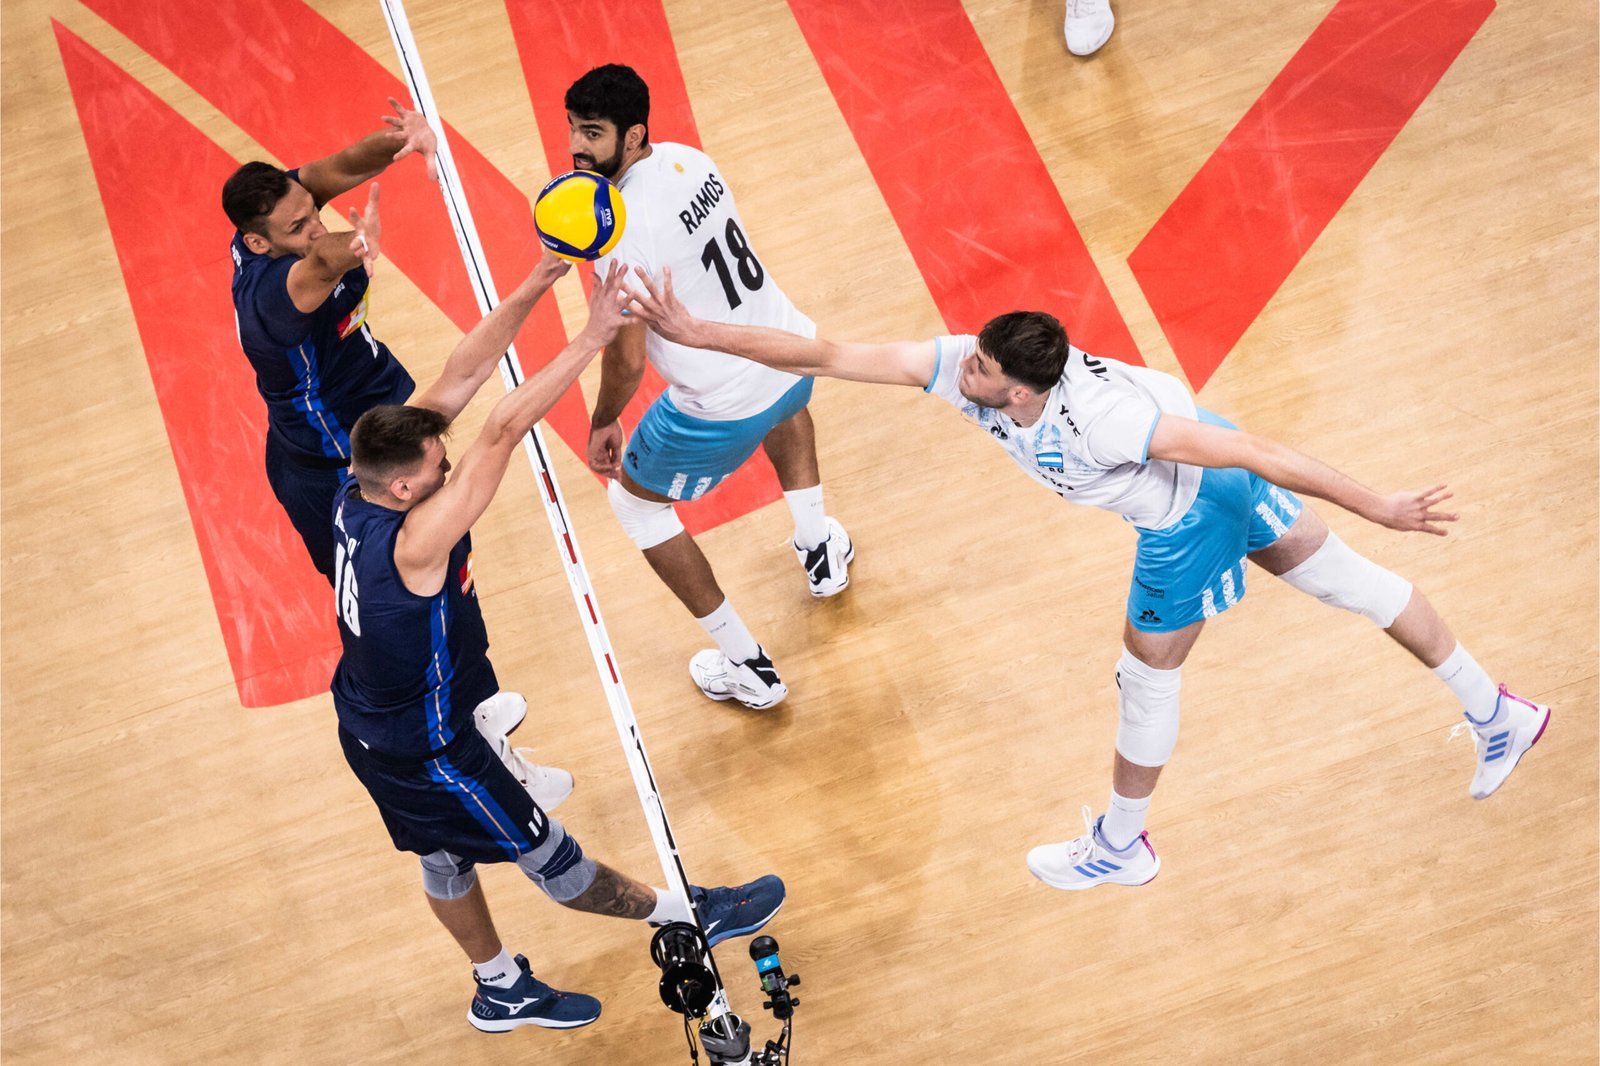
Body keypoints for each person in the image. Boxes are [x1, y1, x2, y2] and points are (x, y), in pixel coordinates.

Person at [623, 267, 1552, 891]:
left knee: (1145, 675)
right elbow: (826, 356)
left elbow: (1258, 448)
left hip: (1190, 514)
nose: (962, 366)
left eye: (981, 366)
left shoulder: (1103, 423)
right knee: (1350, 588)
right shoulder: (967, 368)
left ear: (1023, 393)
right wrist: (698, 331)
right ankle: (1498, 712)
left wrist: (1381, 501)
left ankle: (1120, 846)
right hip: (1206, 497)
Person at [331, 258, 784, 1032]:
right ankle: (686, 914)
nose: (450, 470)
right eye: (440, 470)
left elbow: (463, 371)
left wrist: (537, 279)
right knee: (555, 861)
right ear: (404, 489)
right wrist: (591, 335)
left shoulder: (361, 483)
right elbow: (504, 428)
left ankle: (498, 984)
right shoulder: (415, 542)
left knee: (443, 857)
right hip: (430, 751)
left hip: (369, 721)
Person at [565, 64, 853, 711]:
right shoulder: (689, 162)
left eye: (593, 133)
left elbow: (628, 358)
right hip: (790, 350)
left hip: (720, 402)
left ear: (633, 135)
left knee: (636, 507)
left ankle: (747, 665)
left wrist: (604, 418)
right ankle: (819, 547)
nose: (578, 148)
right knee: (781, 406)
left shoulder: (618, 232)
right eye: (573, 131)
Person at [223, 97, 438, 583]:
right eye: (298, 228)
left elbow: (342, 165)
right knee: (375, 587)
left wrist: (405, 138)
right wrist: (357, 245)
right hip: (335, 462)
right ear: (257, 244)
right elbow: (322, 261)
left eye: (311, 212)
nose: (314, 225)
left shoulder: (283, 211)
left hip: (365, 397)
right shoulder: (272, 300)